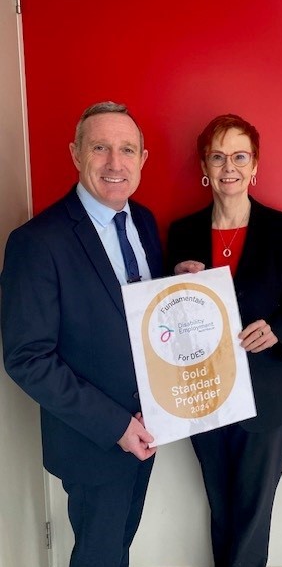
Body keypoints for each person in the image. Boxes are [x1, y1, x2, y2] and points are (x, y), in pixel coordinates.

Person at [1, 101, 162, 567]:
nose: (115, 163)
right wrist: (116, 427)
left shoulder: (145, 223)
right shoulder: (37, 242)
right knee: (98, 557)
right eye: (100, 148)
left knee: (118, 547)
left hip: (150, 429)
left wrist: (179, 279)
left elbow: (132, 314)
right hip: (95, 442)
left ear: (142, 159)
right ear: (76, 154)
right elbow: (27, 358)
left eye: (127, 149)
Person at [167, 113, 282, 567]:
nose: (228, 166)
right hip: (204, 395)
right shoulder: (182, 233)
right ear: (204, 168)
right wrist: (173, 282)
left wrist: (277, 331)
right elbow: (164, 318)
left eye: (239, 156)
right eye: (217, 156)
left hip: (265, 395)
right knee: (223, 508)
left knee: (253, 515)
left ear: (255, 167)